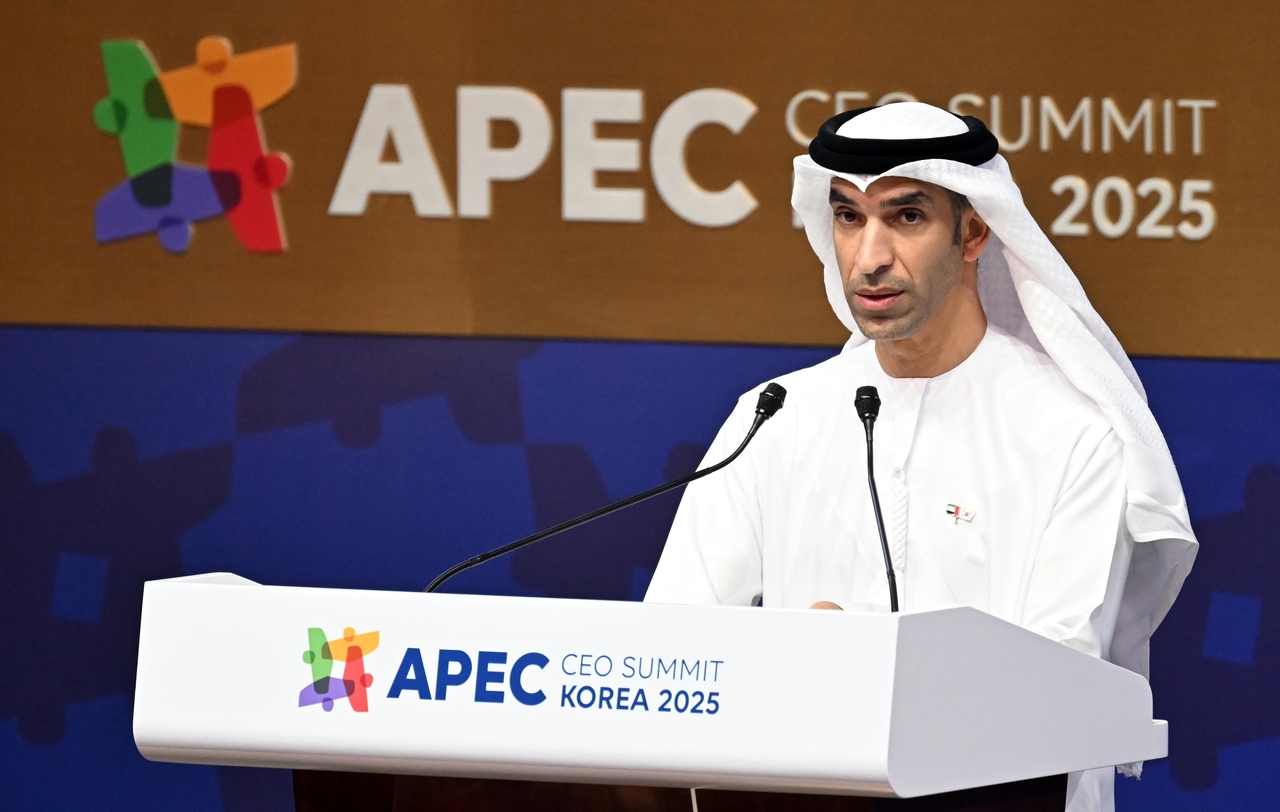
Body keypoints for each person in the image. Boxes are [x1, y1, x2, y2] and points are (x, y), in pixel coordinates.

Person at [644, 102, 1198, 812]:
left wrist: (852, 669)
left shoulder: (1070, 434)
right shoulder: (776, 417)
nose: (869, 257)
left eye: (906, 217)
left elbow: (1058, 681)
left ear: (974, 231)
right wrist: (783, 660)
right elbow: (674, 653)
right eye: (848, 216)